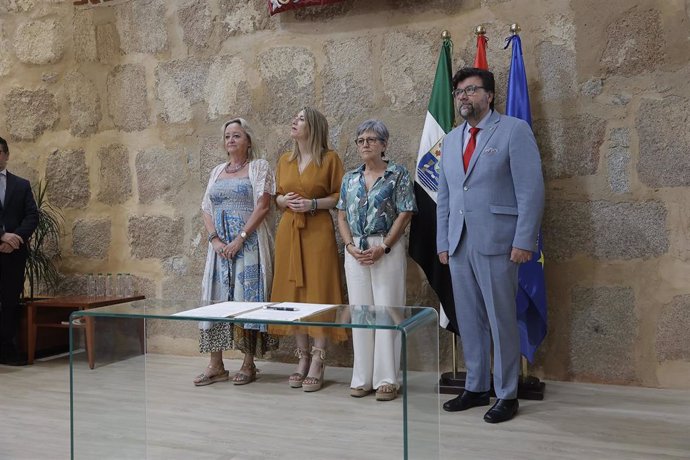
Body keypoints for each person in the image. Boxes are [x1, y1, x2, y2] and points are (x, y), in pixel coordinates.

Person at [436, 67, 544, 423]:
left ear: (490, 95)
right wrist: (443, 242)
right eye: (459, 92)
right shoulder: (451, 141)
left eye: (471, 90)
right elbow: (446, 197)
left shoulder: (514, 130)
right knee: (469, 319)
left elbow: (531, 190)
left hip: (500, 242)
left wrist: (524, 239)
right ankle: (477, 385)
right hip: (460, 243)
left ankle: (507, 393)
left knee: (501, 319)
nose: (463, 97)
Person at [336, 119, 416, 402]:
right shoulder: (350, 178)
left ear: (384, 144)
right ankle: (362, 378)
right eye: (361, 140)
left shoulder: (398, 174)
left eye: (371, 139)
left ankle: (387, 379)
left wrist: (384, 246)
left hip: (386, 247)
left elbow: (406, 213)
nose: (365, 144)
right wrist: (348, 245)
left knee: (387, 310)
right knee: (360, 312)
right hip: (355, 249)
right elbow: (342, 215)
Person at [195, 118, 277, 386]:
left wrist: (240, 239)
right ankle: (215, 364)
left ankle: (248, 363)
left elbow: (263, 206)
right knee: (215, 300)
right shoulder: (217, 170)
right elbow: (206, 207)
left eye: (237, 136)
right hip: (219, 249)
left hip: (248, 246)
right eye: (228, 136)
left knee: (247, 301)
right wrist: (214, 239)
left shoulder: (259, 167)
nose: (231, 140)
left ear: (248, 141)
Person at [271, 106, 346, 392]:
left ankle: (319, 357)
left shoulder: (330, 159)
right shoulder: (285, 160)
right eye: (295, 117)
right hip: (289, 231)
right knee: (292, 293)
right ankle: (300, 356)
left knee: (318, 290)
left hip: (317, 231)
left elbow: (341, 195)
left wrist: (313, 203)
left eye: (301, 119)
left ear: (313, 127)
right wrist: (282, 202)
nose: (294, 121)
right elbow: (277, 196)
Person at [0, 136, 38, 366]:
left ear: (6, 154)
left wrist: (15, 238)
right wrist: (1, 235)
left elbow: (32, 216)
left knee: (10, 301)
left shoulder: (21, 185)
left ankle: (7, 348)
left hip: (14, 254)